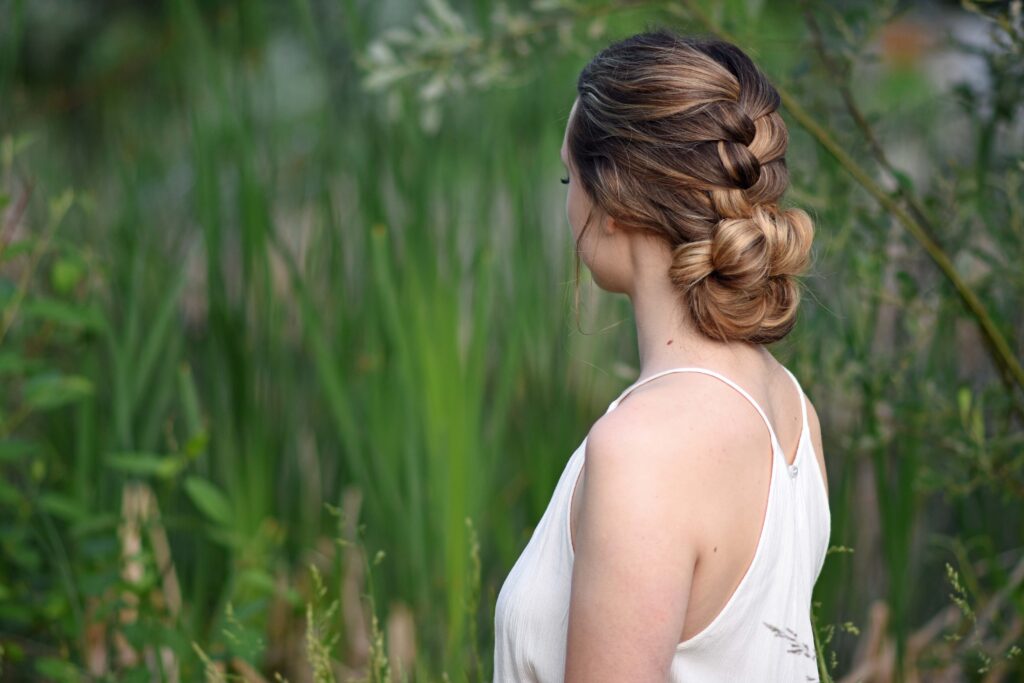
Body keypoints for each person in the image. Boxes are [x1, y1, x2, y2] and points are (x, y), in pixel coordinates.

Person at [493, 28, 832, 682]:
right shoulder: (791, 410)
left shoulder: (644, 450)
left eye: (571, 174)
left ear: (614, 198)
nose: (569, 201)